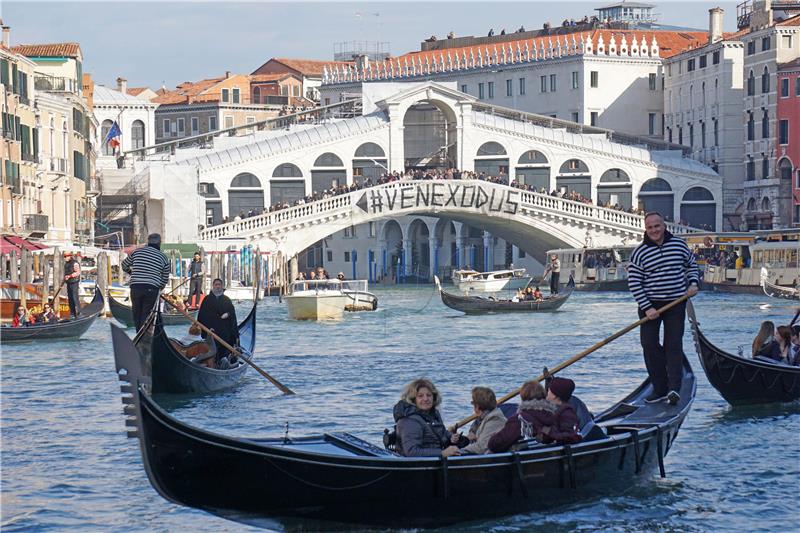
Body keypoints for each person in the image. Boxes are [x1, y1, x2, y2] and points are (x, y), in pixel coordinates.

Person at [628, 212, 699, 405]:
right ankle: (660, 387)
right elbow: (634, 282)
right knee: (649, 345)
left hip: (676, 302)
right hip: (650, 304)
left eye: (657, 226)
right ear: (646, 229)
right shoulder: (640, 252)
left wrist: (693, 283)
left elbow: (692, 265)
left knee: (673, 344)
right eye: (650, 227)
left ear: (664, 226)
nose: (654, 230)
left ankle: (673, 388)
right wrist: (648, 307)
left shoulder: (679, 245)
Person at [393, 378, 461, 457]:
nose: (425, 399)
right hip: (418, 466)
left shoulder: (433, 414)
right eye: (420, 396)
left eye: (429, 395)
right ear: (413, 400)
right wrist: (442, 453)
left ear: (434, 397)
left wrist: (451, 437)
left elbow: (440, 433)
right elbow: (412, 452)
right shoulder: (410, 421)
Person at [488, 380, 557, 453]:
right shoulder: (555, 416)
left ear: (523, 396)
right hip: (548, 459)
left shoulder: (519, 420)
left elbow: (494, 445)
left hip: (526, 461)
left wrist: (493, 437)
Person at [121, 233, 171, 332]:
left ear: (148, 241)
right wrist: (159, 287)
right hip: (152, 288)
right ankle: (144, 335)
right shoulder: (163, 257)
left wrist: (132, 273)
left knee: (137, 313)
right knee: (146, 314)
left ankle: (138, 334)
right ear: (159, 243)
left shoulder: (137, 252)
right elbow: (165, 278)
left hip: (136, 287)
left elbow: (124, 265)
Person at [197, 278, 240, 368]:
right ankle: (214, 362)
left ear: (222, 286)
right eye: (216, 285)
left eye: (219, 285)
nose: (217, 287)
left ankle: (224, 360)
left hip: (225, 333)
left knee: (225, 348)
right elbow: (202, 317)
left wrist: (228, 314)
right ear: (213, 286)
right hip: (211, 332)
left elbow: (232, 315)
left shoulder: (227, 300)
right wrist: (207, 330)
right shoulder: (207, 300)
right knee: (212, 349)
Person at [459, 387, 506, 455]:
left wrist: (458, 450)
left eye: (474, 405)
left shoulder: (495, 420)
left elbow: (481, 447)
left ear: (477, 407)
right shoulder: (483, 419)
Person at [541, 377, 582, 445]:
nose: (547, 392)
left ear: (554, 395)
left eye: (549, 390)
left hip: (563, 448)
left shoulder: (567, 413)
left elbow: (568, 435)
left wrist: (548, 432)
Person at [63, 250, 81, 318]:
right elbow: (66, 273)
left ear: (70, 256)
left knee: (74, 297)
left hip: (74, 282)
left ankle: (79, 312)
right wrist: (65, 278)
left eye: (66, 256)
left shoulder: (75, 263)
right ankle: (72, 313)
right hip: (69, 282)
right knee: (70, 298)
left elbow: (78, 272)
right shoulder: (66, 264)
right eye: (64, 256)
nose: (65, 258)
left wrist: (70, 276)